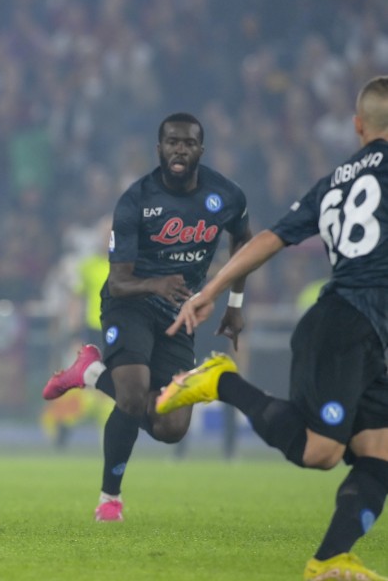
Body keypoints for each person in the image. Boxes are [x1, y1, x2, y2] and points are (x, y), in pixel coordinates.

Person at [157, 77, 388, 580]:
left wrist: (212, 289)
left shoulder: (336, 180)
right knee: (320, 452)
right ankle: (222, 381)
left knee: (380, 450)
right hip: (348, 323)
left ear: (357, 126)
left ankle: (330, 559)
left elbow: (271, 237)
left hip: (366, 330)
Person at [42, 112, 253, 522]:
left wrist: (235, 304)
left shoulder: (226, 195)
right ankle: (110, 499)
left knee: (171, 429)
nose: (179, 150)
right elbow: (118, 281)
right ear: (159, 149)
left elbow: (243, 242)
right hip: (130, 303)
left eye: (188, 143)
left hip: (179, 311)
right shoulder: (135, 201)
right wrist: (156, 284)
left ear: (201, 150)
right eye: (172, 142)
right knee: (133, 394)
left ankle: (89, 373)